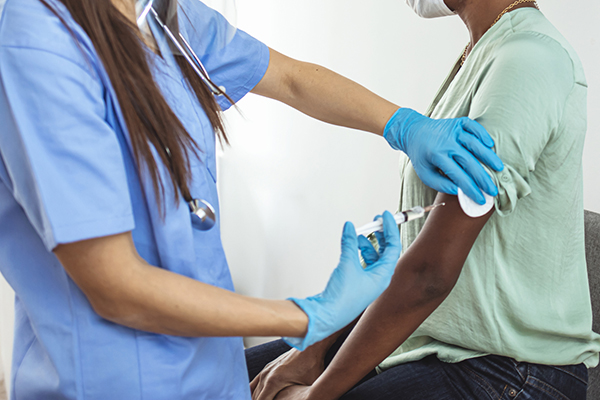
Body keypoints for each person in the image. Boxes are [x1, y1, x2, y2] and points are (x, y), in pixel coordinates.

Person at [0, 0, 504, 398]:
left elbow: (290, 78)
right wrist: (306, 317)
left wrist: (403, 125)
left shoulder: (164, 16)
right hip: (110, 377)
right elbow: (114, 285)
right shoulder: (38, 41)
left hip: (209, 365)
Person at [246, 1, 600, 399]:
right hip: (431, 343)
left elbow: (429, 273)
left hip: (509, 371)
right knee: (231, 375)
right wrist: (318, 345)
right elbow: (421, 261)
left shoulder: (528, 58)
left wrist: (317, 395)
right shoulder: (483, 52)